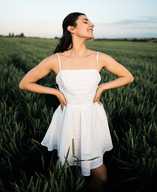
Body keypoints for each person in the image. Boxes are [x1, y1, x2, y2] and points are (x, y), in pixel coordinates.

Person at [19, 12, 134, 191]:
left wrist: (102, 87)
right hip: (69, 118)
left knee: (100, 177)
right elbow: (25, 83)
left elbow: (127, 76)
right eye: (86, 21)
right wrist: (55, 92)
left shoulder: (99, 57)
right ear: (71, 28)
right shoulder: (56, 60)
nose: (92, 24)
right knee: (68, 167)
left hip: (91, 117)